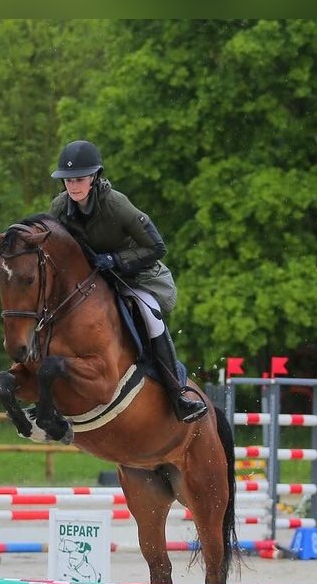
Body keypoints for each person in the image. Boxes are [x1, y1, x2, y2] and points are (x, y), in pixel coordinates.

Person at [48, 139, 208, 424]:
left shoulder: (116, 204)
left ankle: (178, 395)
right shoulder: (60, 207)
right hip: (95, 282)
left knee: (149, 315)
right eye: (68, 180)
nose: (73, 186)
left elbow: (157, 247)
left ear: (94, 177)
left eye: (80, 179)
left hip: (139, 276)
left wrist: (115, 260)